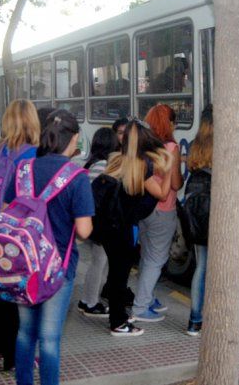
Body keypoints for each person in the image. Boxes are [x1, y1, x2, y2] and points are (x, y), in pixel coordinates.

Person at [2, 109, 94, 385]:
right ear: (74, 137)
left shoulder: (23, 169)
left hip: (23, 266)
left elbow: (6, 212)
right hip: (58, 270)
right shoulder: (77, 177)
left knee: (25, 333)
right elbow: (84, 230)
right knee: (50, 338)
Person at [0, 99, 39, 371]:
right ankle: (15, 356)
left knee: (0, 290)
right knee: (20, 291)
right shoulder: (33, 154)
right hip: (20, 232)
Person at [100, 119, 172, 336]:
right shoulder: (142, 167)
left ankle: (117, 316)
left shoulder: (115, 160)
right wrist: (168, 171)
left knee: (115, 273)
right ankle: (119, 322)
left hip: (107, 225)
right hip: (124, 227)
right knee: (120, 275)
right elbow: (162, 194)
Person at [131, 104, 183, 322]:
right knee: (157, 258)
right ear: (169, 123)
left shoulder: (144, 145)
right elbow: (176, 184)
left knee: (147, 255)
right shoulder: (171, 148)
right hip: (163, 209)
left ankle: (148, 297)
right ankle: (140, 307)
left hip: (143, 208)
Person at [77, 127, 119, 318]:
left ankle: (87, 299)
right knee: (100, 263)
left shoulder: (91, 164)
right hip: (101, 223)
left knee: (98, 262)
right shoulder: (103, 166)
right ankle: (90, 302)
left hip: (94, 222)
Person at [184, 105, 214, 336]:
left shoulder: (196, 144)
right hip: (214, 215)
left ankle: (195, 320)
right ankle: (208, 317)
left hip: (196, 215)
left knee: (201, 266)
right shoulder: (221, 143)